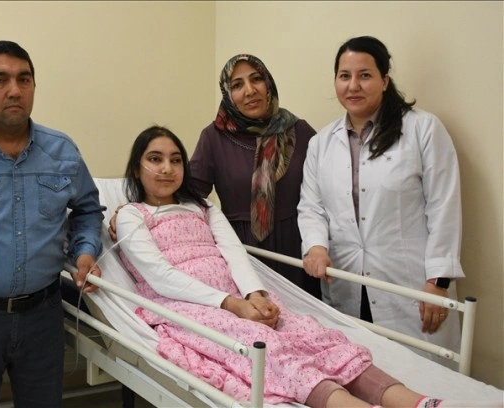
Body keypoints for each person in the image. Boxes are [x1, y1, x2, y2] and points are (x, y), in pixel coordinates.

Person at [114, 126, 449, 408]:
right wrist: (232, 305)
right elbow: (161, 276)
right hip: (187, 306)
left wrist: (255, 296)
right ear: (136, 168)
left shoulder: (203, 207)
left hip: (238, 295)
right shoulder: (131, 215)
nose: (167, 168)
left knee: (311, 334)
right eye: (155, 159)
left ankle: (415, 402)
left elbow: (234, 253)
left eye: (175, 160)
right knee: (265, 343)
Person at [0, 40, 104, 407]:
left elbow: (88, 210)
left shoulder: (62, 151)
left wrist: (85, 251)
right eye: (0, 80)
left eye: (24, 79)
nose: (15, 90)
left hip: (43, 315)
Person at [297, 36, 464, 367]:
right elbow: (312, 206)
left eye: (365, 75)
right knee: (361, 375)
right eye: (344, 76)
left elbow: (444, 206)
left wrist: (438, 282)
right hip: (347, 280)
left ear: (385, 80)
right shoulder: (321, 143)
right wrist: (315, 247)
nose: (353, 86)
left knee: (421, 377)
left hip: (411, 287)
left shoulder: (423, 129)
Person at [188, 54, 322, 299]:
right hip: (241, 252)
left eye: (256, 79)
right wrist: (140, 211)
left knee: (305, 317)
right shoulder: (213, 137)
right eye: (237, 85)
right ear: (228, 93)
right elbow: (189, 196)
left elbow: (326, 189)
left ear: (268, 84)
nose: (249, 91)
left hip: (297, 249)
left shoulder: (299, 131)